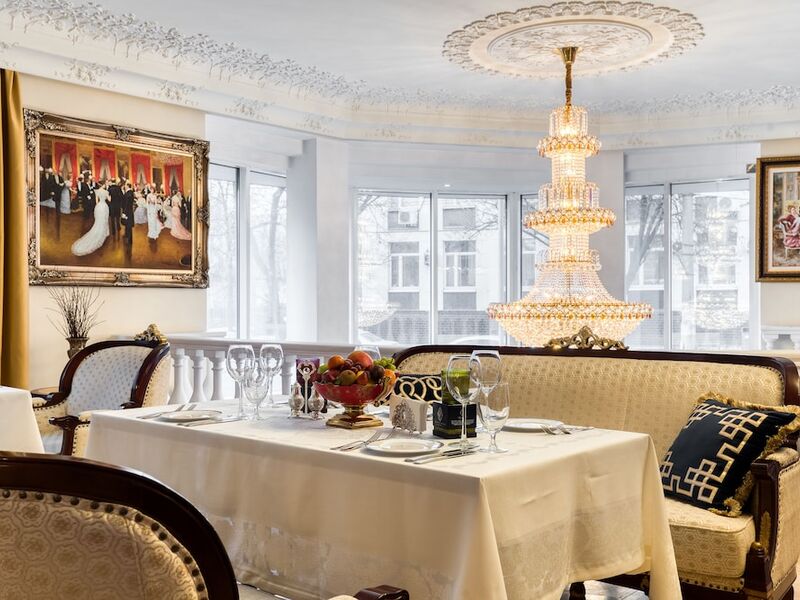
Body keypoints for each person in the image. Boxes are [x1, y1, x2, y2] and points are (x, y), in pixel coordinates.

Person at [71, 188, 110, 256]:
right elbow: (109, 200)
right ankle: (105, 231)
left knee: (98, 220)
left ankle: (101, 230)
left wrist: (98, 205)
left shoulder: (97, 191)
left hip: (99, 207)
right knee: (104, 219)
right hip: (104, 206)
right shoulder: (106, 192)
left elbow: (96, 201)